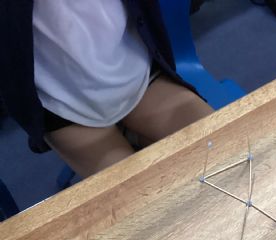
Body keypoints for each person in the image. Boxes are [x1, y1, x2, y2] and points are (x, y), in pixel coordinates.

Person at [0, 0, 213, 178]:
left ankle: (131, 133)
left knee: (220, 148)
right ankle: (131, 134)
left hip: (135, 71)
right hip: (63, 104)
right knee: (139, 199)